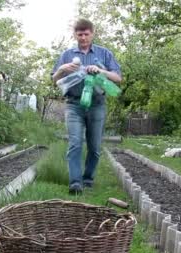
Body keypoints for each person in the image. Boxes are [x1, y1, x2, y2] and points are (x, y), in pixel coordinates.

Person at [52, 18, 122, 194]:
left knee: (95, 147)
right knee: (75, 143)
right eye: (79, 34)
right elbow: (55, 80)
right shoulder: (67, 55)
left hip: (97, 105)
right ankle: (75, 183)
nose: (83, 37)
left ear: (92, 33)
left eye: (86, 34)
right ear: (74, 34)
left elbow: (118, 78)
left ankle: (88, 178)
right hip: (73, 105)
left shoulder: (104, 54)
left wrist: (101, 71)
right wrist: (63, 69)